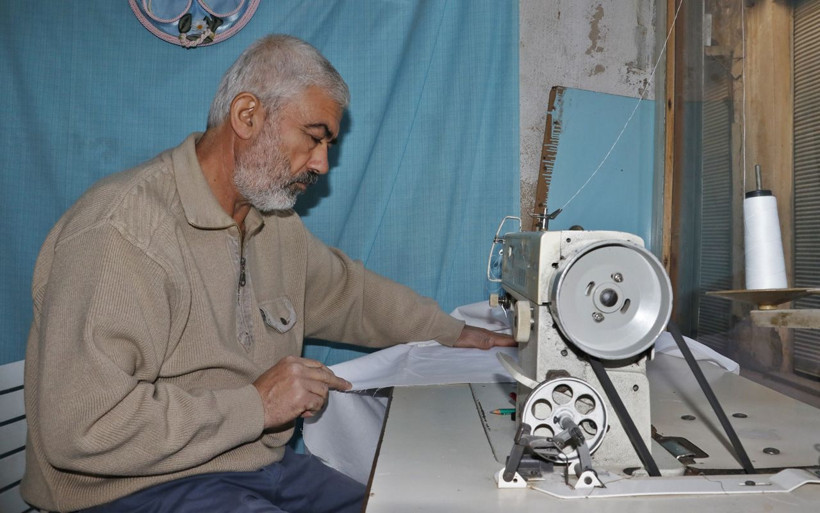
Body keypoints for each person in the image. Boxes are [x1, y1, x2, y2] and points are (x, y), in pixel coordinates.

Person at [21, 34, 514, 513]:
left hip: (252, 466)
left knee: (405, 503)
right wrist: (257, 406)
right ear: (247, 115)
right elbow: (82, 428)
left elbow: (350, 296)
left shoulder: (270, 224)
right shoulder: (122, 232)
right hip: (132, 489)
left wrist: (454, 332)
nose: (322, 163)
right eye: (314, 137)